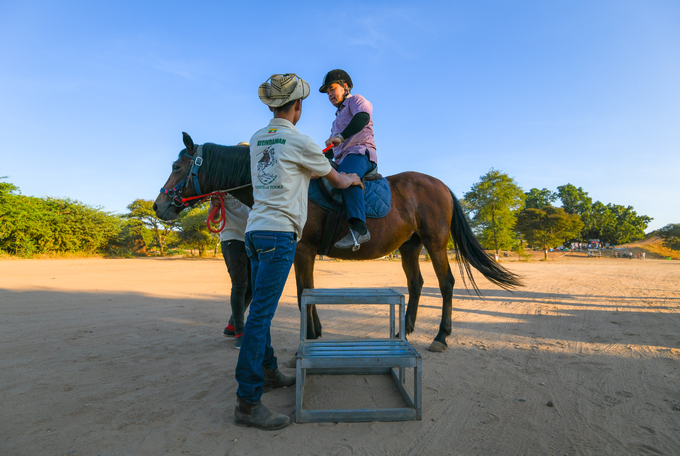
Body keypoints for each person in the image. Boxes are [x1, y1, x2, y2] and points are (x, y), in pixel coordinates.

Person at [233, 73, 363, 430]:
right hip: (279, 235)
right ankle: (247, 401)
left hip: (254, 232)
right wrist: (352, 180)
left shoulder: (259, 138)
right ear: (298, 107)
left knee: (260, 309)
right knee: (260, 317)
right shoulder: (301, 141)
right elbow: (336, 180)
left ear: (271, 105)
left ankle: (269, 371)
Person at [319, 69, 377, 250]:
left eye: (332, 88)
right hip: (342, 157)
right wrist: (320, 157)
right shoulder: (335, 120)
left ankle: (360, 229)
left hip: (360, 153)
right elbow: (333, 148)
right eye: (327, 92)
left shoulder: (356, 100)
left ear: (345, 86)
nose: (329, 94)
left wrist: (342, 137)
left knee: (346, 176)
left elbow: (363, 117)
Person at [214, 176, 252, 350]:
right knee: (240, 285)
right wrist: (215, 204)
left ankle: (231, 326)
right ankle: (240, 332)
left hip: (252, 238)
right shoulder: (221, 188)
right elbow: (212, 216)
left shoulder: (255, 183)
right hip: (231, 238)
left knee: (252, 286)